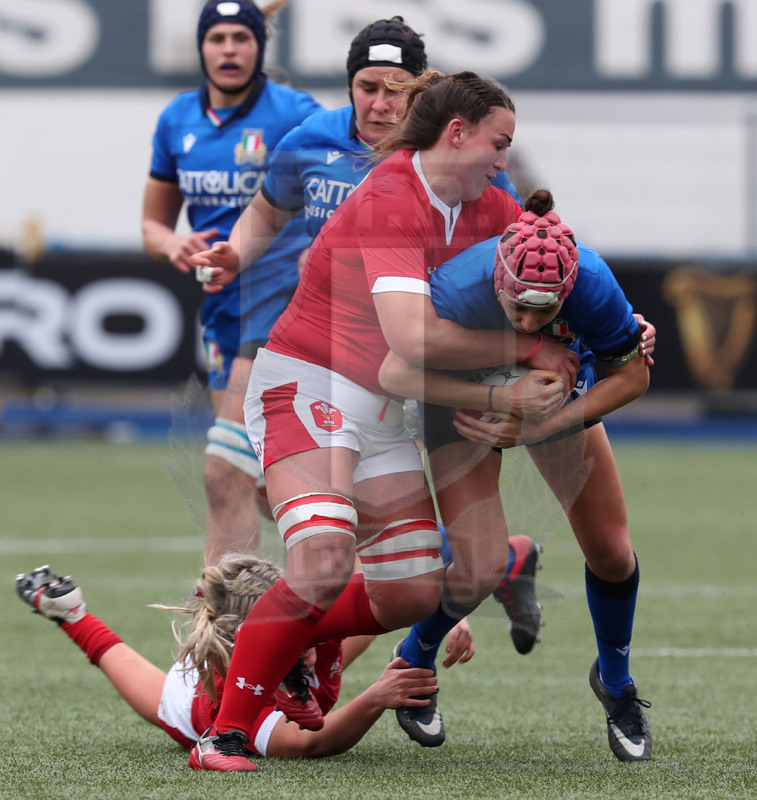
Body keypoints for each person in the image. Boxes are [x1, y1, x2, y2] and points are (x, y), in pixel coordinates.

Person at [186, 68, 580, 772]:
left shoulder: (489, 206)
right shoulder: (392, 194)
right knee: (324, 560)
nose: (504, 157)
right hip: (305, 386)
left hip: (383, 407)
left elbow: (551, 269)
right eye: (499, 142)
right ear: (455, 134)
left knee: (411, 589)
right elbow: (414, 338)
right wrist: (527, 348)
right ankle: (225, 733)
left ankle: (282, 636)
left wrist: (623, 328)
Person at [192, 15, 536, 662]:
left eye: (395, 88)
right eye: (365, 86)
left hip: (408, 367)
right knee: (260, 490)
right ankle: (274, 654)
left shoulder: (457, 167)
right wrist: (236, 254)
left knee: (341, 533)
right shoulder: (311, 141)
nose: (378, 103)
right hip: (315, 352)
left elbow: (515, 248)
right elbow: (268, 209)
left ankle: (285, 652)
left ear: (422, 92)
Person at [379, 190, 655, 761]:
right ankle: (413, 659)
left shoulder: (590, 279)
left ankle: (616, 681)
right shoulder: (458, 286)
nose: (530, 321)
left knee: (611, 552)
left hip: (552, 405)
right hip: (462, 404)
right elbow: (395, 372)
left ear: (569, 288)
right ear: (497, 278)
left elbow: (631, 379)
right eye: (518, 307)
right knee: (477, 566)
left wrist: (534, 426)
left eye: (545, 312)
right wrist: (502, 397)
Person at [141, 0, 322, 564]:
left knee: (225, 473)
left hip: (281, 312)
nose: (228, 49)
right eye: (217, 38)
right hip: (225, 314)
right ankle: (415, 551)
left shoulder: (295, 112)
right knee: (266, 486)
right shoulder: (177, 120)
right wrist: (173, 243)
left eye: (241, 38)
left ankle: (217, 633)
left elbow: (346, 181)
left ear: (259, 46)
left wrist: (322, 243)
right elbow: (152, 224)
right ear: (201, 47)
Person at [15, 561, 464, 764]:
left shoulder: (305, 623)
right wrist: (376, 698)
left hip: (266, 668)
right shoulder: (244, 703)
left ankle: (70, 612)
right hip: (193, 705)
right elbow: (312, 743)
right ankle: (71, 614)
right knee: (123, 667)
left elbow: (384, 599)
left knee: (342, 632)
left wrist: (432, 618)